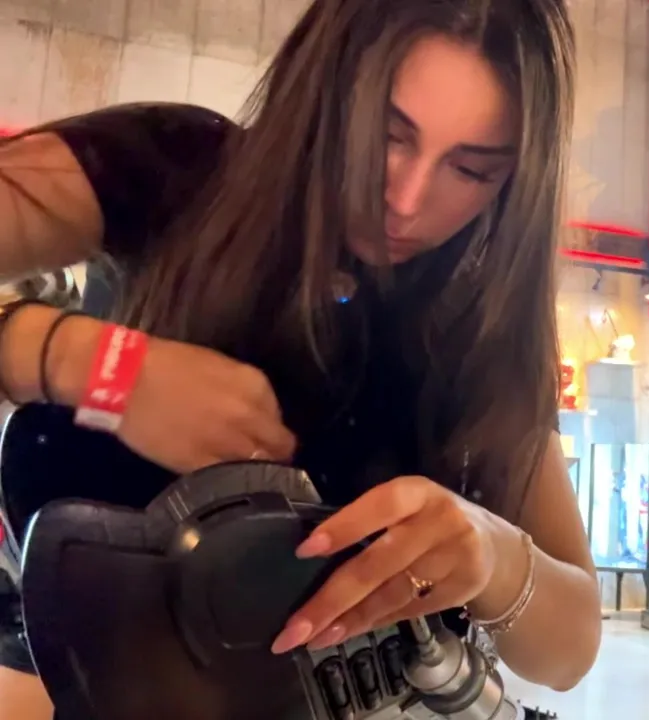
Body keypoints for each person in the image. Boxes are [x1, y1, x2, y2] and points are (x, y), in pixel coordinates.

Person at [0, 0, 602, 717]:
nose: (408, 199)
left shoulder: (481, 325)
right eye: (386, 134)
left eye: (471, 171)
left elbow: (571, 649)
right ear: (324, 85)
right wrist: (91, 364)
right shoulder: (176, 171)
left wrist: (492, 555)